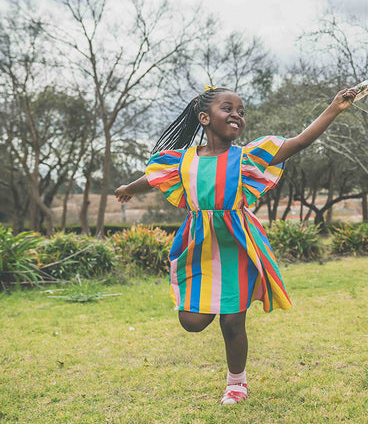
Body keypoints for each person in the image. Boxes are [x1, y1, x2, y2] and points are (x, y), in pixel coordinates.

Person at [115, 85, 355, 404]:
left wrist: (334, 108)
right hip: (199, 246)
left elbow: (299, 142)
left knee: (232, 320)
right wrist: (129, 188)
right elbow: (154, 179)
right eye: (227, 108)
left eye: (241, 111)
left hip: (237, 243)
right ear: (204, 118)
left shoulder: (247, 157)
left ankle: (236, 383)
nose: (236, 115)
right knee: (192, 321)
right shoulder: (183, 161)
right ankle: (217, 301)